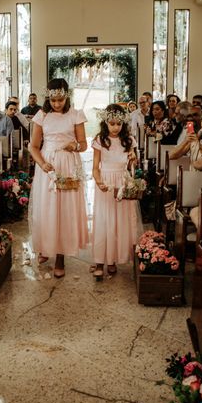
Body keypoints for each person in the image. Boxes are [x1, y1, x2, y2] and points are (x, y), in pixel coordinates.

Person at [28, 78, 88, 278]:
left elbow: (83, 144)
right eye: (53, 100)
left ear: (66, 96)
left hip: (68, 165)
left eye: (60, 100)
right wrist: (42, 163)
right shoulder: (41, 116)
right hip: (48, 166)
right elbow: (33, 146)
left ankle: (61, 255)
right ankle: (46, 246)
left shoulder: (75, 115)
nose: (56, 104)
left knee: (64, 209)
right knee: (46, 207)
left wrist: (76, 146)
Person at [91, 104, 142, 277]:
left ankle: (112, 260)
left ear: (123, 124)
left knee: (119, 221)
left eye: (118, 124)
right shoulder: (100, 140)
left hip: (122, 181)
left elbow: (131, 166)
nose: (115, 127)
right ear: (106, 123)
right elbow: (95, 168)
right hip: (106, 181)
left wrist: (133, 158)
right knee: (104, 221)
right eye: (112, 123)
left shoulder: (128, 140)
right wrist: (99, 182)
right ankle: (99, 261)